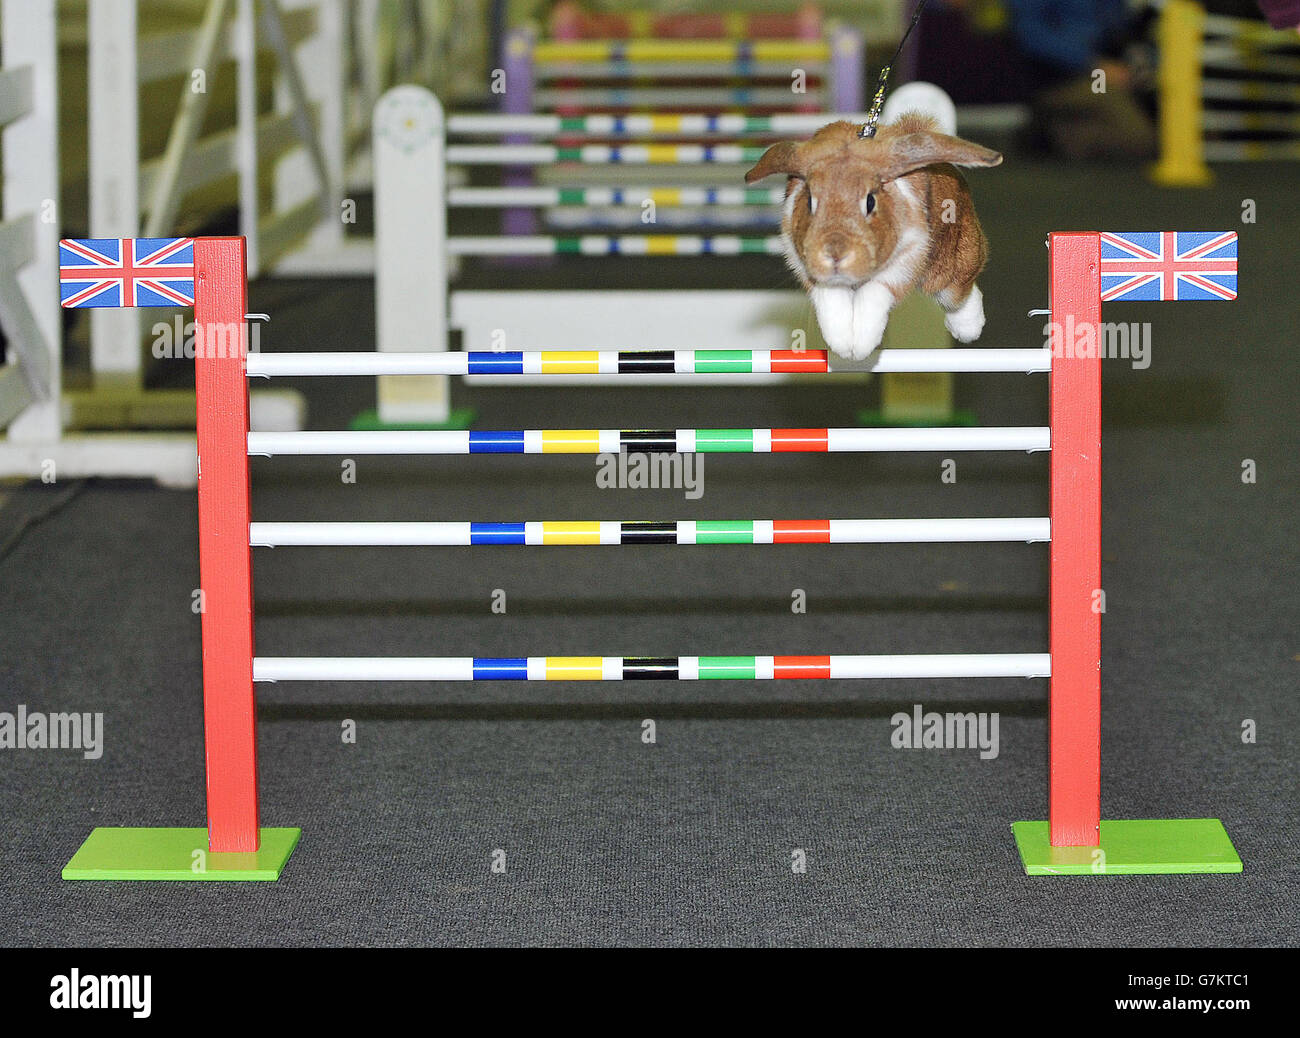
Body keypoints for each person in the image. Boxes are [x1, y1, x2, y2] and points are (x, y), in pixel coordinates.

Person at [1008, 0, 1157, 159]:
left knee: (1169, 122)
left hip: (1104, 73)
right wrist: (1093, 63)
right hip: (1061, 78)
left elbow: (1119, 26)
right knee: (1143, 142)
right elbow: (1030, 34)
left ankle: (1065, 124)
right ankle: (1050, 136)